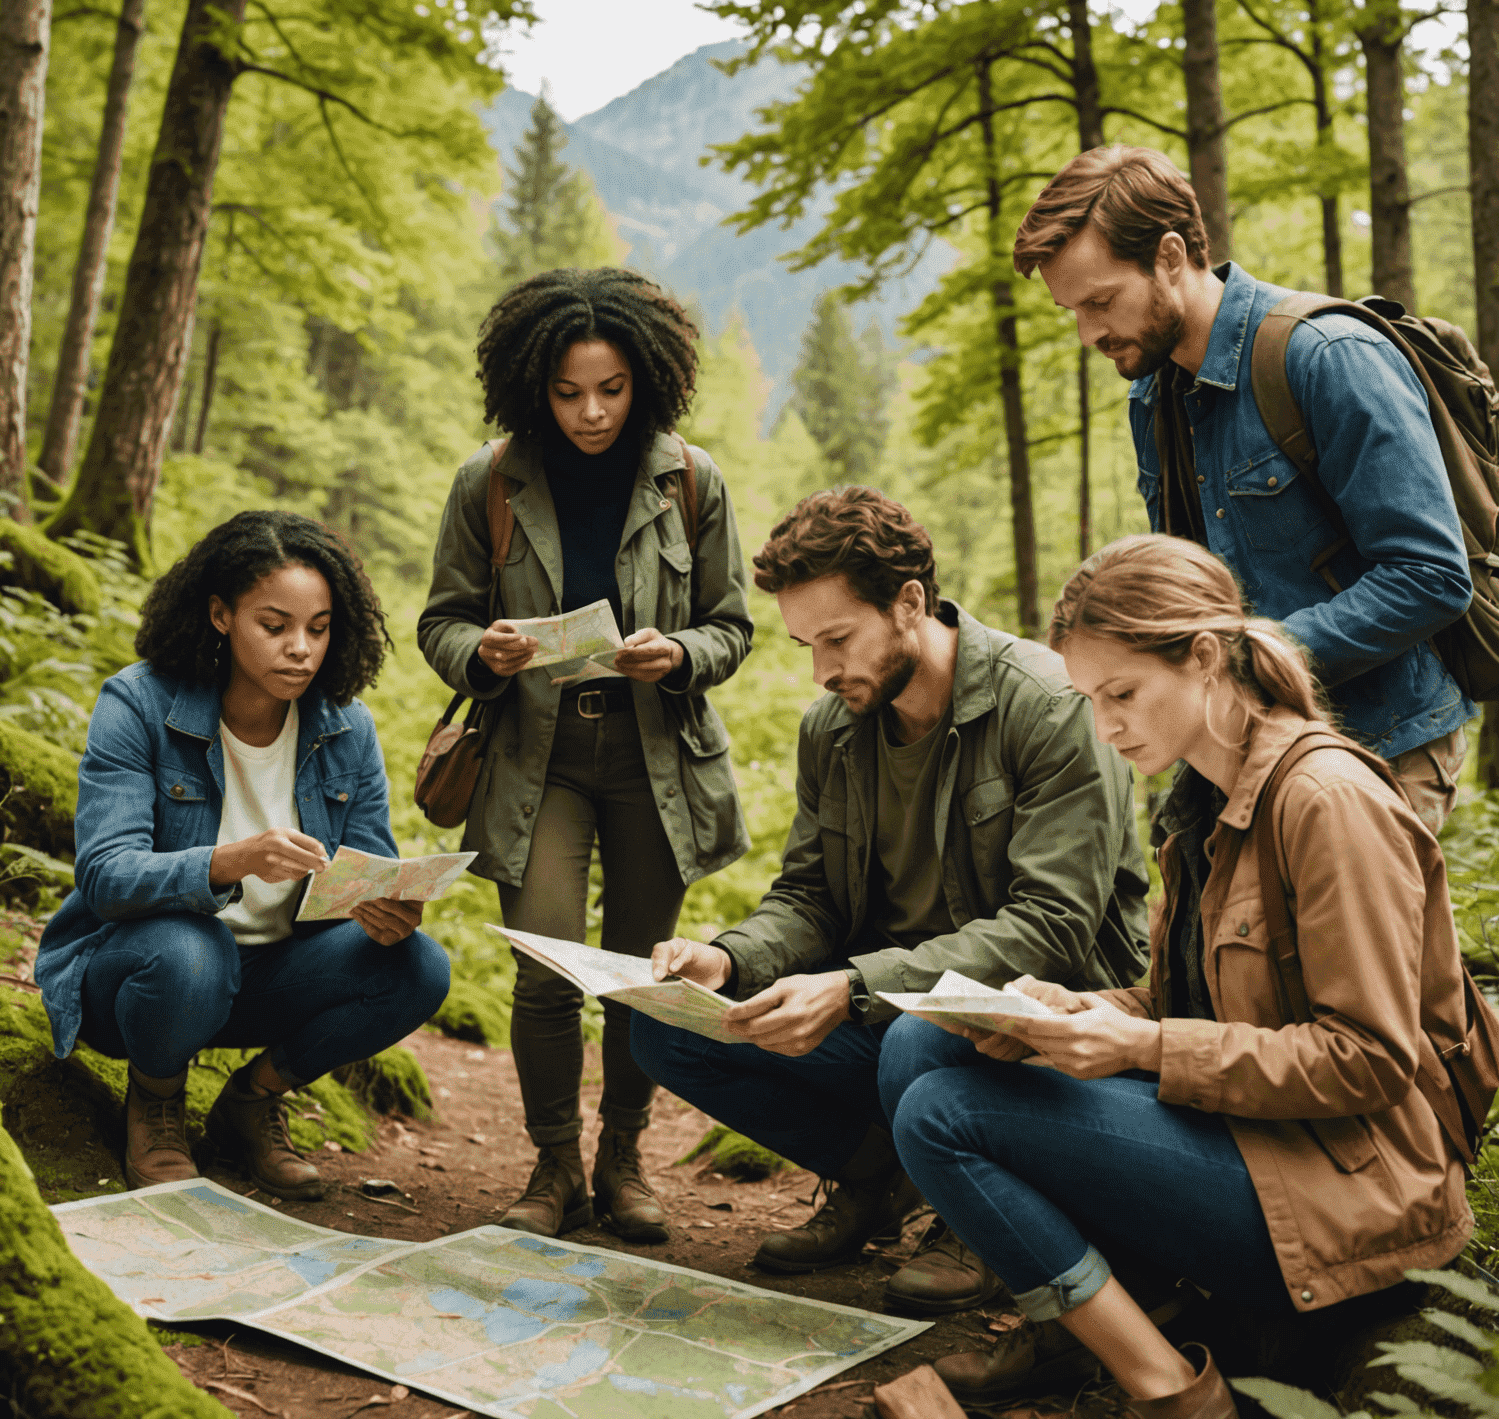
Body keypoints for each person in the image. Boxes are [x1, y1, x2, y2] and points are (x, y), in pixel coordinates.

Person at [876, 533, 1475, 1419]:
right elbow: (1197, 999)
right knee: (919, 1043)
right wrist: (1075, 1011)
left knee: (944, 1114)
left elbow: (1370, 1060)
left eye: (1123, 694)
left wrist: (1143, 1047)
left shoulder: (1327, 802)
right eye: (1089, 699)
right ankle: (1096, 1326)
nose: (1106, 724)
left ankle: (1168, 1384)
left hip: (1350, 1188)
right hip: (1249, 1138)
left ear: (1203, 658)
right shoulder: (1199, 802)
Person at [632, 487, 1151, 1317]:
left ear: (910, 603)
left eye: (838, 639)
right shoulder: (832, 729)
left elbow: (1051, 928)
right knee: (665, 1024)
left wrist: (852, 988)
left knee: (921, 1029)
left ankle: (972, 1213)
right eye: (807, 645)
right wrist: (728, 957)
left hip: (1034, 1027)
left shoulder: (1052, 705)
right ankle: (879, 1181)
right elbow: (810, 898)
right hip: (885, 1015)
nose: (822, 671)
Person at [418, 266, 753, 1245]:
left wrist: (681, 654)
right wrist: (481, 652)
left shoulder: (692, 479)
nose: (591, 411)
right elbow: (441, 620)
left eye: (610, 390)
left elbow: (733, 625)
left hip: (656, 757)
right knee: (549, 966)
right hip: (537, 761)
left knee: (642, 975)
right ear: (535, 385)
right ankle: (555, 1163)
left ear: (646, 381)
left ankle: (625, 1158)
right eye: (569, 393)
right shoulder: (491, 481)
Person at [1013, 146, 1474, 834]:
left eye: (1102, 301)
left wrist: (1245, 660)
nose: (1087, 333)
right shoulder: (1152, 398)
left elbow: (1431, 575)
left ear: (1171, 257)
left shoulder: (1330, 358)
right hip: (1236, 762)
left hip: (1377, 753)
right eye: (1071, 310)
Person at [35, 512, 451, 1199]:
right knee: (194, 952)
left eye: (318, 629)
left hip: (271, 977)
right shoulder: (138, 703)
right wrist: (230, 860)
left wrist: (385, 908)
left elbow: (370, 866)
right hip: (142, 977)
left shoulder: (346, 726)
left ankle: (252, 1101)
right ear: (221, 614)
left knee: (419, 967)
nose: (301, 650)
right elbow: (106, 877)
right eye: (275, 625)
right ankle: (158, 1102)